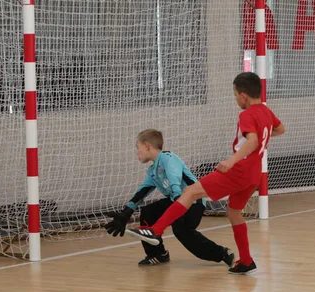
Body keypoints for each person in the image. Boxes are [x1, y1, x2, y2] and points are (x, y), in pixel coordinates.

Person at [128, 72, 285, 275]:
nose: (236, 99)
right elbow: (280, 129)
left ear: (243, 96)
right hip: (254, 175)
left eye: (236, 95)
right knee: (234, 212)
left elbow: (253, 141)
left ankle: (156, 231)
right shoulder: (265, 111)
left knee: (191, 192)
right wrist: (264, 135)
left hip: (238, 171)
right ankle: (246, 260)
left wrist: (231, 161)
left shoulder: (246, 114)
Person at [105, 129, 235, 267]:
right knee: (148, 212)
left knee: (182, 231)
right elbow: (142, 192)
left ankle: (222, 253)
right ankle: (157, 254)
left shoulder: (168, 158)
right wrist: (126, 212)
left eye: (138, 148)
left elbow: (175, 182)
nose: (137, 152)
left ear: (147, 146)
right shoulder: (152, 170)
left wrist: (179, 206)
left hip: (192, 201)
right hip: (175, 201)